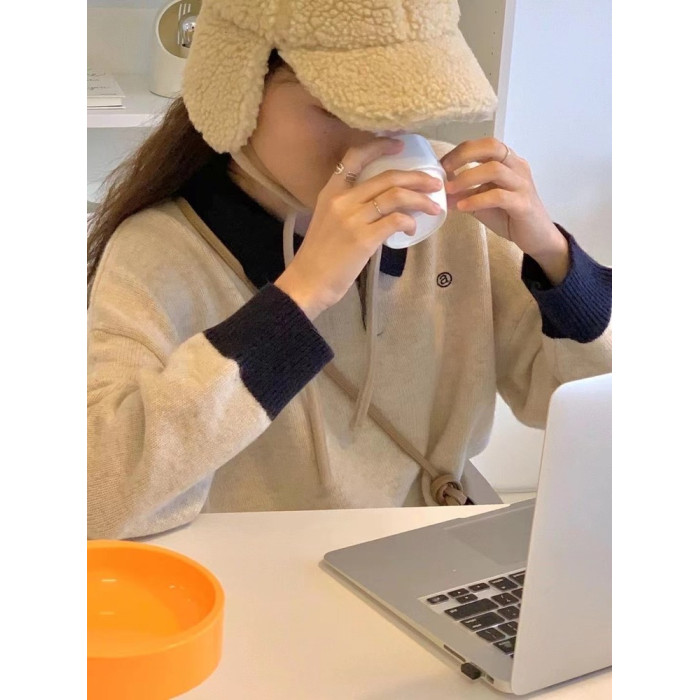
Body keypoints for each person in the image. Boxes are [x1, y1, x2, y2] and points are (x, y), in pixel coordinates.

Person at [87, 0, 611, 539]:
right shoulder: (159, 251)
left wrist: (555, 258)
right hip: (255, 570)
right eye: (336, 108)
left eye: (404, 106)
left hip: (430, 551)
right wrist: (300, 296)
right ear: (237, 93)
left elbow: (589, 409)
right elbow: (95, 501)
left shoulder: (458, 210)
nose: (377, 143)